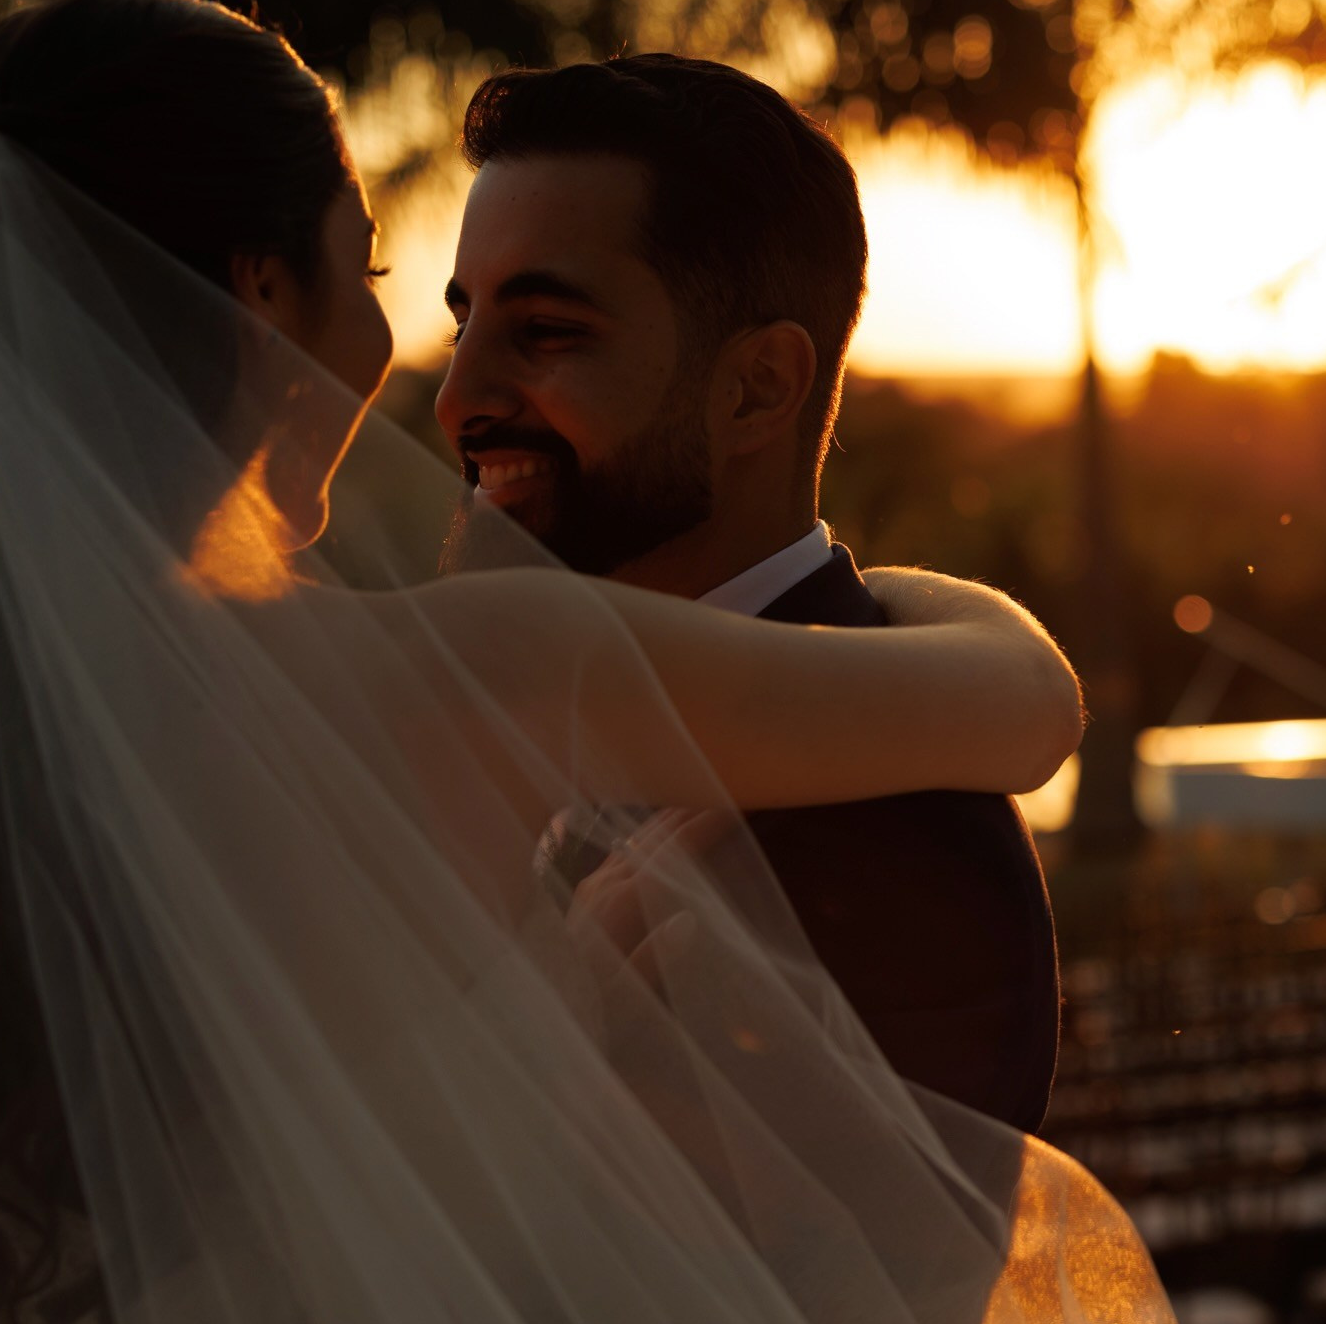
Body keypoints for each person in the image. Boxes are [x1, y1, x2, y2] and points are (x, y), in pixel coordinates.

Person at [0, 0, 1267, 1324]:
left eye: (543, 330)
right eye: (406, 286)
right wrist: (958, 621)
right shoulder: (462, 687)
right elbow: (1021, 702)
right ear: (257, 299)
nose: (446, 391)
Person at [434, 56, 1062, 1135]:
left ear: (758, 388)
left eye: (544, 332)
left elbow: (838, 1297)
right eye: (465, 323)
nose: (457, 402)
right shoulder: (526, 707)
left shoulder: (894, 850)